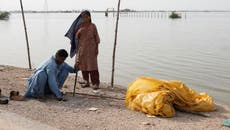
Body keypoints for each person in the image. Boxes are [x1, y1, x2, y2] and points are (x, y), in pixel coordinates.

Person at [65, 10, 100, 90]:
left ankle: (96, 83)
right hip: (82, 49)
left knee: (93, 66)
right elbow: (76, 37)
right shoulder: (79, 26)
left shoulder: (93, 26)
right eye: (83, 17)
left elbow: (97, 38)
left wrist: (97, 48)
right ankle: (86, 81)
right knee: (83, 66)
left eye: (85, 17)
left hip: (91, 49)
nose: (84, 18)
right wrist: (77, 34)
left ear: (89, 17)